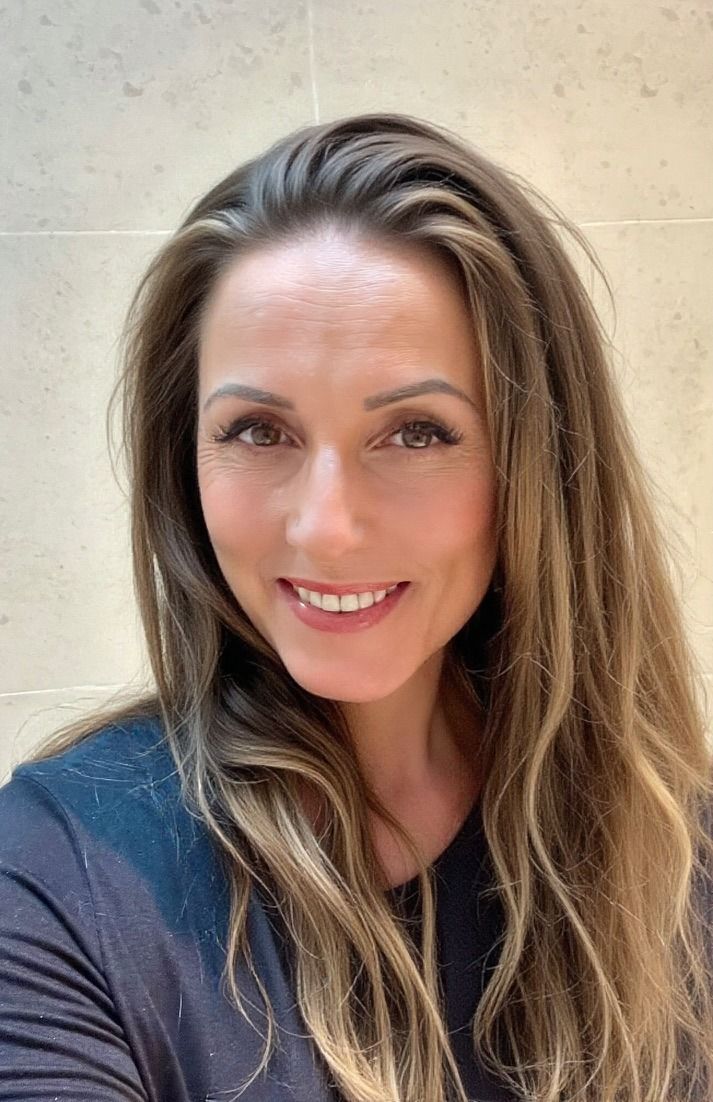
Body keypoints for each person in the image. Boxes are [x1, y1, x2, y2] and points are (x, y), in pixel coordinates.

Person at [0, 112, 711, 1102]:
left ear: (532, 472)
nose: (326, 526)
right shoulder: (60, 875)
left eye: (415, 432)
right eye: (257, 429)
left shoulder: (664, 839)